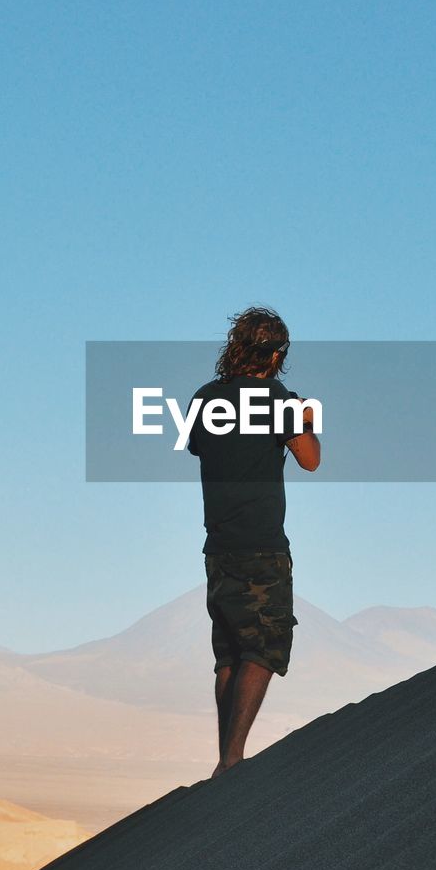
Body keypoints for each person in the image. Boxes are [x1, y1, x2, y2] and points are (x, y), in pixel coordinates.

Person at [187, 306, 320, 778]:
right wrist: (302, 418)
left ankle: (224, 758)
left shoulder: (205, 399)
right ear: (277, 354)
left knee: (229, 655)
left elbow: (202, 448)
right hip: (262, 545)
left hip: (218, 548)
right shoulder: (277, 399)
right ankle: (232, 760)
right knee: (263, 649)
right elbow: (310, 461)